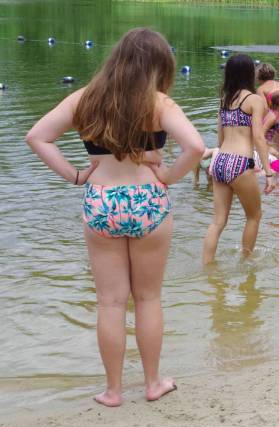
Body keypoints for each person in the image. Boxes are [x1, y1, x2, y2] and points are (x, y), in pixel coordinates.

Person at [25, 28, 204, 407]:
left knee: (110, 302)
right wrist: (168, 176)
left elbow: (37, 137)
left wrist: (75, 176)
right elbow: (196, 147)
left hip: (102, 202)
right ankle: (153, 383)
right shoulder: (158, 104)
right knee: (148, 297)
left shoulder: (85, 98)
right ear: (158, 67)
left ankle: (113, 391)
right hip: (148, 202)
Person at [203, 54, 276, 264]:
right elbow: (259, 138)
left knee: (217, 222)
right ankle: (246, 265)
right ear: (249, 73)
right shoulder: (254, 100)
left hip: (220, 160)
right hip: (240, 162)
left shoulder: (224, 99)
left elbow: (220, 137)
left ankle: (207, 268)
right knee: (254, 216)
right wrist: (269, 173)